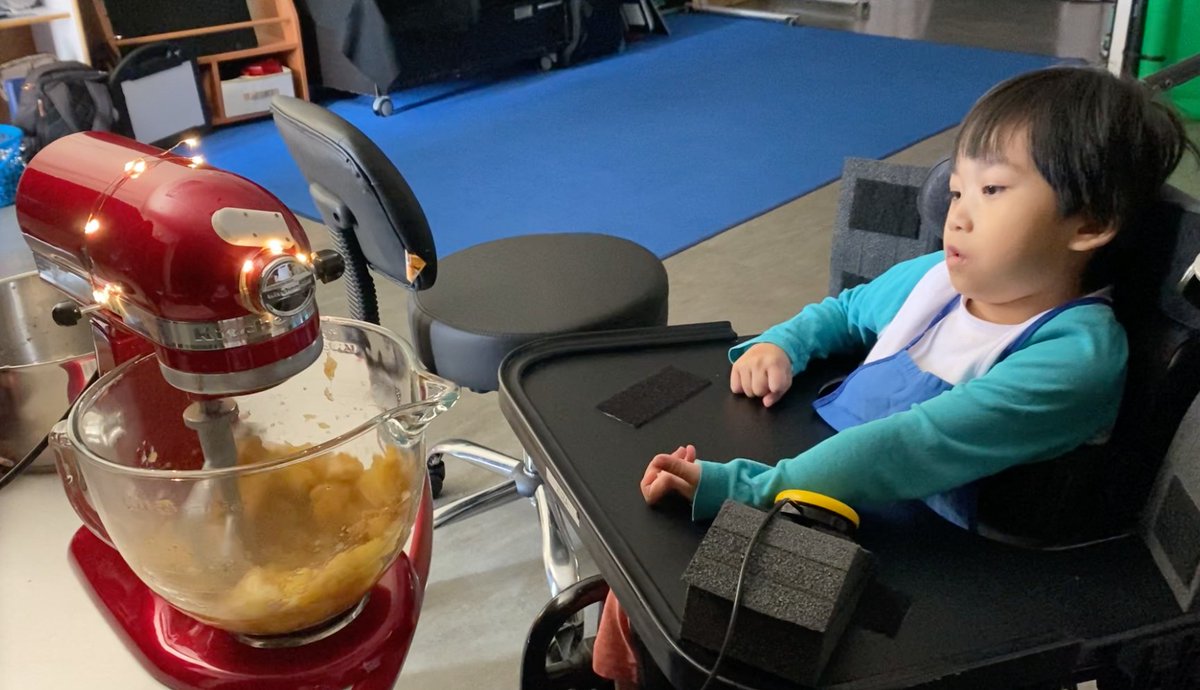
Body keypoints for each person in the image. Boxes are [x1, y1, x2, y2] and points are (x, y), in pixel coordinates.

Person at [593, 65, 1198, 688]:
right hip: (829, 473)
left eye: (992, 190)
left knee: (736, 647)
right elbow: (845, 312)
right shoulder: (936, 277)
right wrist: (782, 343)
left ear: (1089, 223)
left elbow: (908, 445)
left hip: (938, 556)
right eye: (957, 191)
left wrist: (744, 487)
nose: (956, 216)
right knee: (653, 580)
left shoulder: (1074, 355)